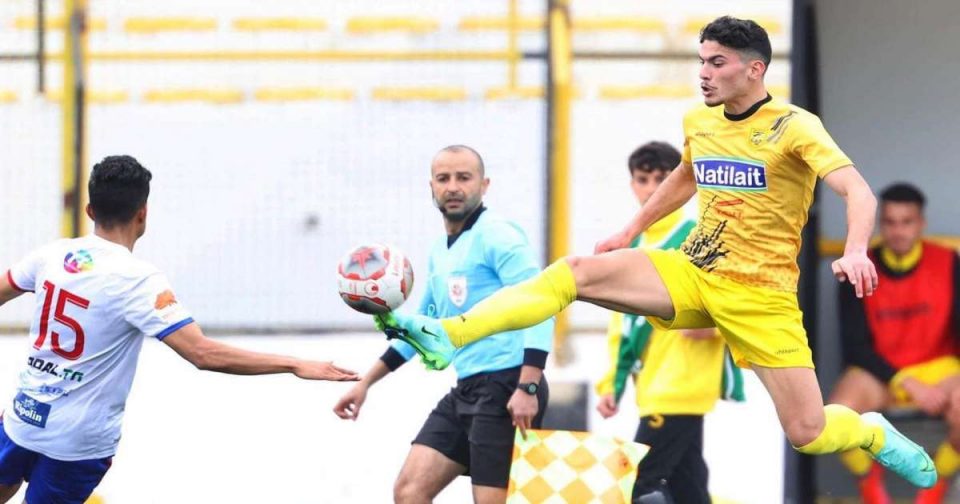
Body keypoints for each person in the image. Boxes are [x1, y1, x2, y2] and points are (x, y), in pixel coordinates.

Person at [376, 16, 938, 489]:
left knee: (807, 432)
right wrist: (630, 230)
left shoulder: (794, 127)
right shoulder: (700, 120)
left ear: (754, 69)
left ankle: (870, 430)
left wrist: (857, 249)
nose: (704, 73)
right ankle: (450, 334)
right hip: (693, 270)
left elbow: (857, 191)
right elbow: (686, 176)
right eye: (701, 61)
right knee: (575, 272)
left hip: (760, 298)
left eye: (717, 62)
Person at [0, 156, 359, 504]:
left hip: (24, 418)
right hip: (76, 443)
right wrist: (293, 364)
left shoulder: (52, 256)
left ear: (90, 211)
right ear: (143, 214)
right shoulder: (138, 281)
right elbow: (202, 353)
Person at [334, 145, 552, 504]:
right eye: (443, 178)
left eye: (463, 178)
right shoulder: (440, 249)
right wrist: (365, 383)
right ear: (431, 187)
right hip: (468, 387)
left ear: (484, 185)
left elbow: (542, 303)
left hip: (508, 384)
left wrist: (527, 386)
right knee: (409, 491)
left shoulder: (498, 236)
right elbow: (422, 328)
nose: (453, 187)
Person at [595, 141, 743, 503]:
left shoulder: (698, 235)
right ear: (632, 184)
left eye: (661, 179)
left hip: (682, 384)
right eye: (642, 179)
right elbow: (621, 324)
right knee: (688, 488)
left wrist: (714, 326)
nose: (651, 189)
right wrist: (612, 383)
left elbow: (740, 296)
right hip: (652, 384)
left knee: (637, 482)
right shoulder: (632, 243)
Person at [830, 183, 960, 504]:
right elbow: (855, 347)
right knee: (836, 418)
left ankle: (935, 481)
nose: (898, 231)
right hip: (881, 373)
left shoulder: (949, 262)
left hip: (939, 370)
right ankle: (869, 481)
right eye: (890, 222)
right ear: (879, 225)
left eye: (907, 222)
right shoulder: (858, 268)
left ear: (921, 223)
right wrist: (905, 382)